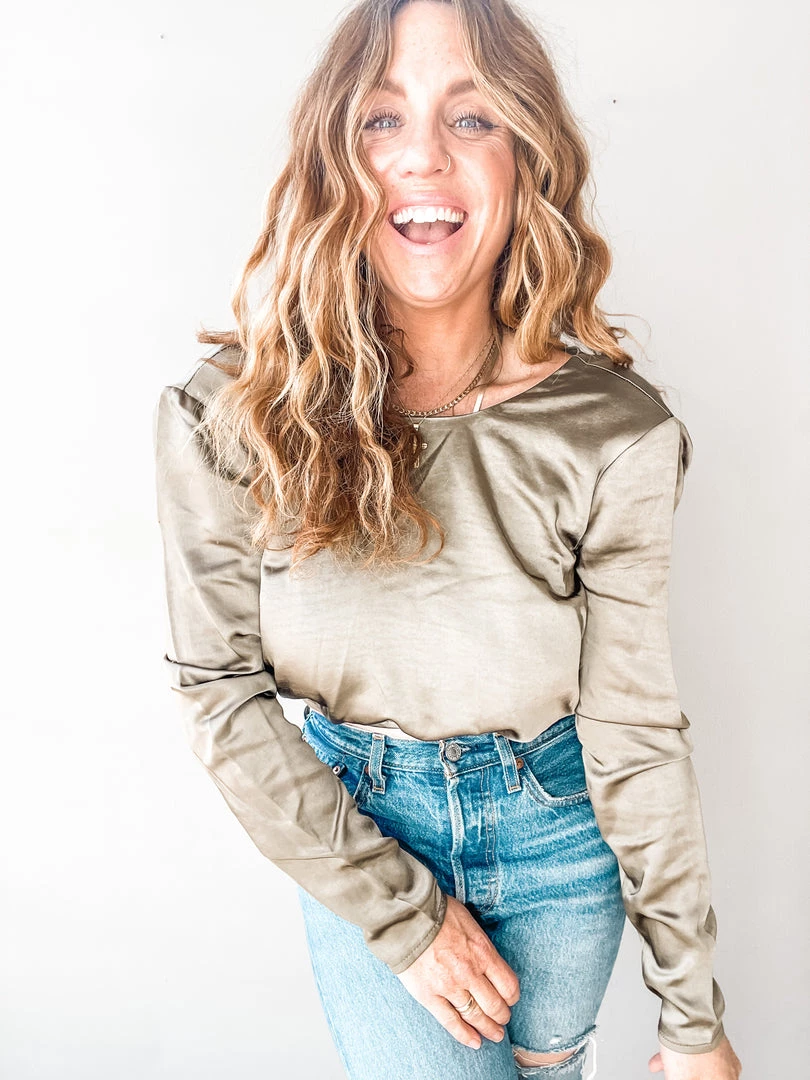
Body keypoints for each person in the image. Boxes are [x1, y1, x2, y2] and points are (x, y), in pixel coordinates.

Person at [152, 1, 743, 1077]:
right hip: (362, 830)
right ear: (334, 161)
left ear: (527, 159)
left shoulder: (613, 431)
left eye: (472, 119)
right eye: (382, 120)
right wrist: (403, 918)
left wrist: (693, 1020)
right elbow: (219, 692)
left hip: (562, 844)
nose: (424, 155)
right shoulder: (233, 413)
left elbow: (635, 729)